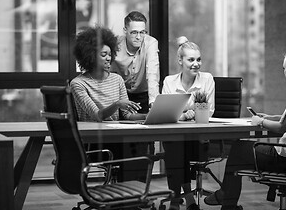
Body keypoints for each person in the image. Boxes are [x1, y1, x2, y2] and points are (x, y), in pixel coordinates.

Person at [204, 41, 286, 210]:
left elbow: (281, 128)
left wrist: (261, 121)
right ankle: (226, 197)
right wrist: (271, 116)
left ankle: (226, 200)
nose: (284, 71)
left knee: (237, 150)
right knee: (241, 150)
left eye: (284, 68)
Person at [70, 25, 148, 181]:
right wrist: (118, 104)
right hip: (96, 142)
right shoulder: (78, 84)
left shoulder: (116, 79)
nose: (108, 58)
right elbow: (98, 116)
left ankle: (133, 196)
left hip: (118, 137)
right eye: (103, 54)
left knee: (139, 143)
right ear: (90, 56)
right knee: (132, 148)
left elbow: (127, 116)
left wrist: (148, 115)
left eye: (109, 53)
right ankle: (129, 196)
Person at [162, 36, 215, 210]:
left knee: (176, 147)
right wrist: (184, 116)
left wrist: (190, 115)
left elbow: (209, 110)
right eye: (191, 59)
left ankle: (176, 199)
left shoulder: (206, 80)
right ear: (180, 60)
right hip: (176, 137)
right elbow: (167, 112)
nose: (196, 64)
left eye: (198, 59)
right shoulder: (169, 82)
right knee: (175, 145)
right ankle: (187, 197)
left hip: (199, 138)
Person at [110, 11, 160, 114]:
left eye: (142, 32)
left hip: (145, 96)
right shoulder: (115, 45)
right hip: (120, 97)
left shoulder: (151, 43)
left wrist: (154, 102)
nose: (138, 37)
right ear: (125, 30)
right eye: (134, 32)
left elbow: (152, 74)